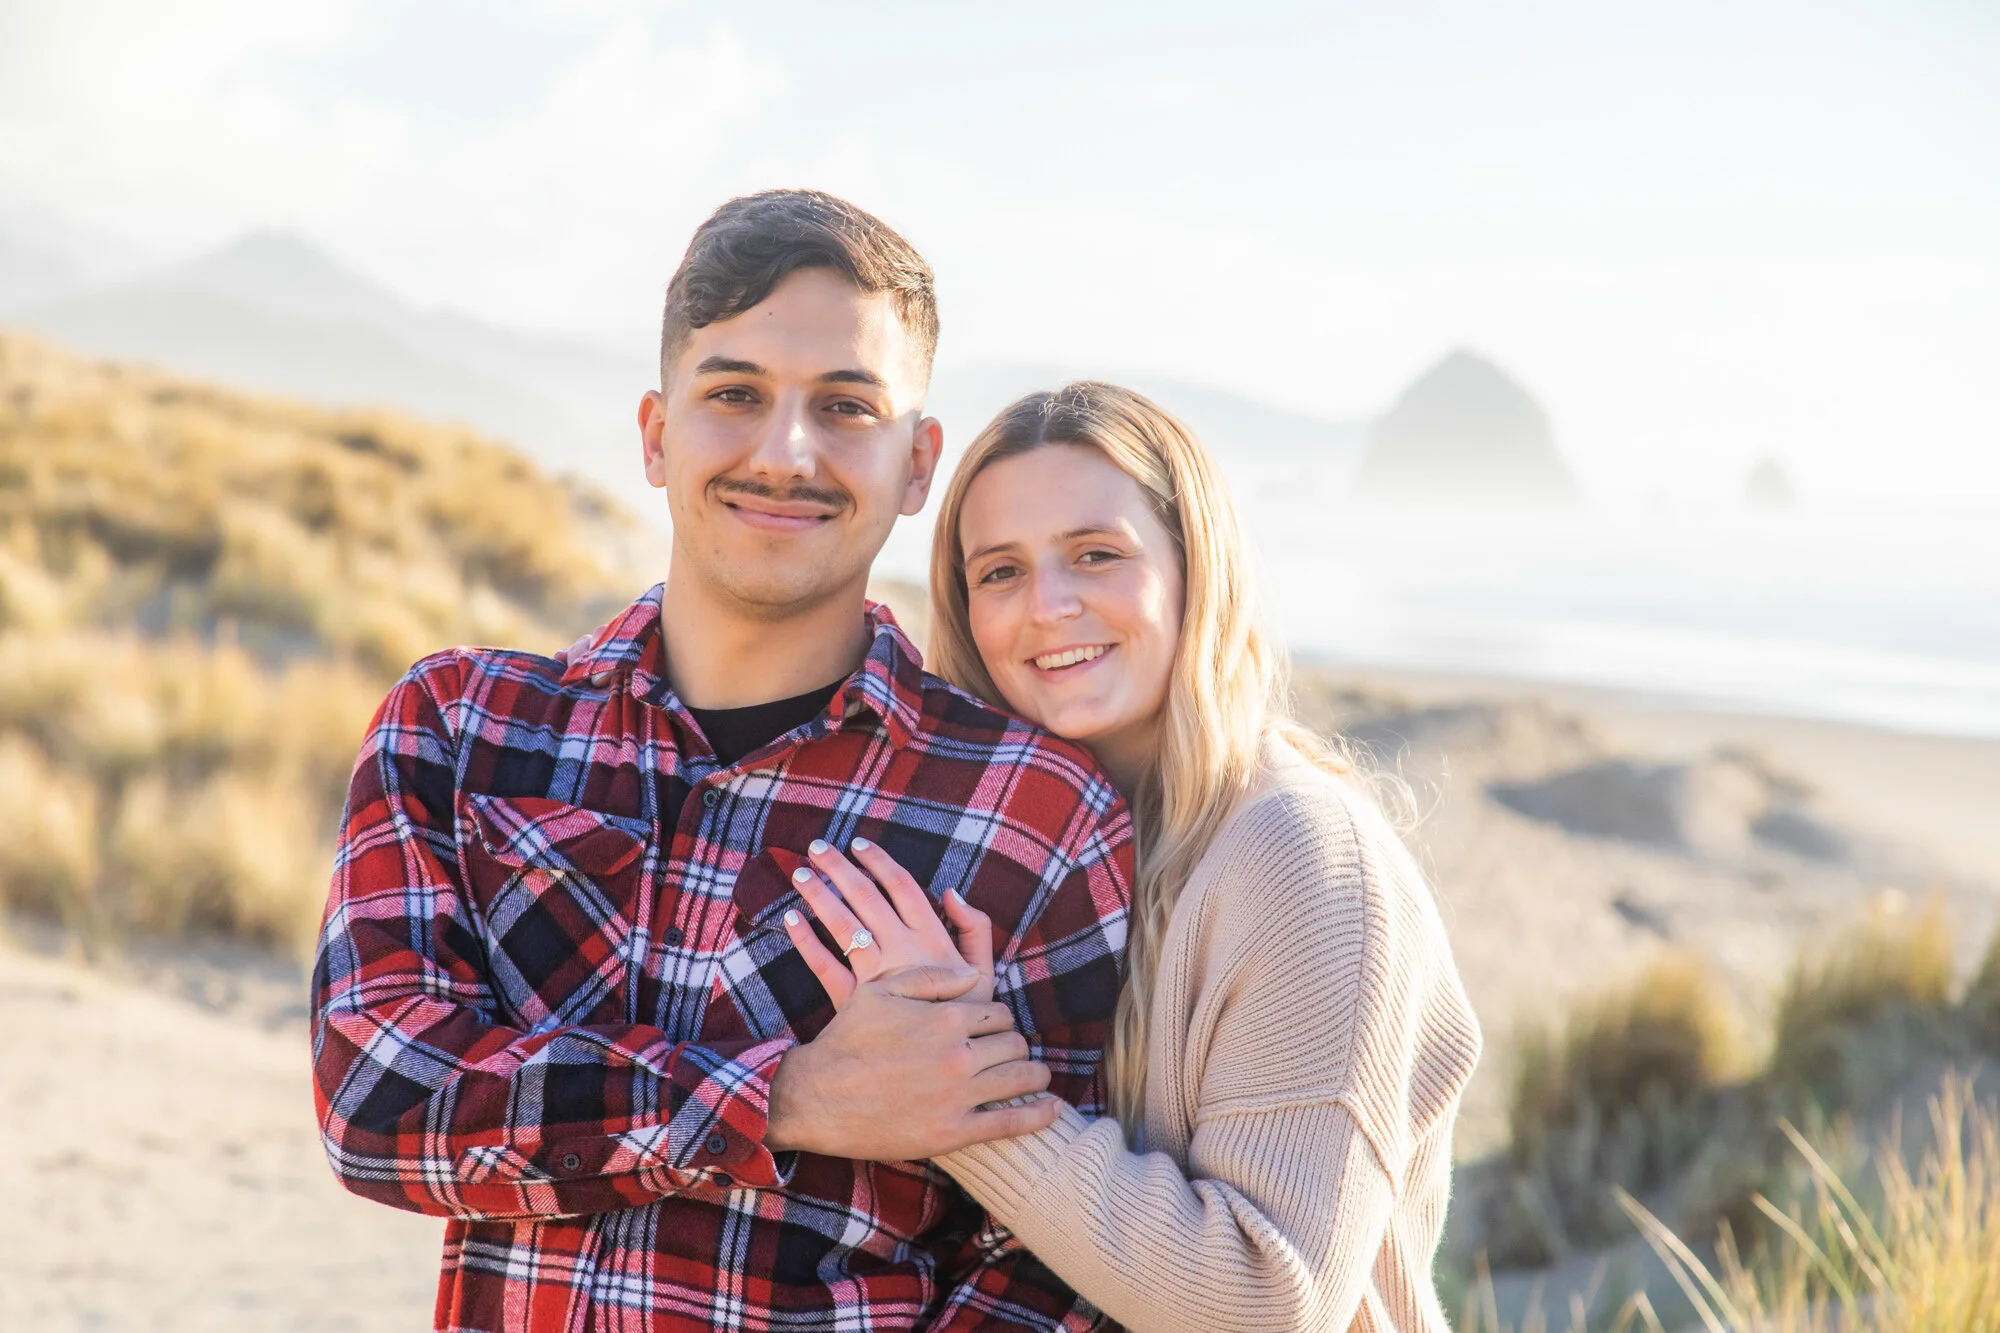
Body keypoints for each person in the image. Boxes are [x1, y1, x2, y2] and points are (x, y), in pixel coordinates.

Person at [311, 190, 1135, 1333]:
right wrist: (784, 1097)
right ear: (655, 434)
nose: (783, 453)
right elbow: (378, 1101)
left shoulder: (1031, 809)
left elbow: (1053, 1273)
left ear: (916, 465)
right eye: (733, 394)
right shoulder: (461, 728)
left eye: (846, 407)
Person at [776, 382, 1484, 1331]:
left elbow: (1268, 1298)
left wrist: (958, 1088)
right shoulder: (1005, 852)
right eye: (1000, 572)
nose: (1049, 607)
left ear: (1197, 566)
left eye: (1096, 555)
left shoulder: (1305, 860)